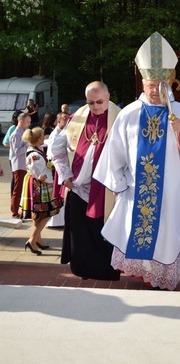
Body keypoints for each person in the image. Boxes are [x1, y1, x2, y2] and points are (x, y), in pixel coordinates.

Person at [93, 32, 180, 290]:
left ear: (169, 83)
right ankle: (143, 276)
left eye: (161, 86)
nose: (156, 91)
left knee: (167, 235)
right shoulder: (129, 114)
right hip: (137, 190)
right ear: (143, 83)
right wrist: (119, 183)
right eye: (150, 86)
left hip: (171, 192)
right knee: (136, 231)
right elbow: (115, 151)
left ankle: (162, 277)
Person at [50, 81, 121, 280]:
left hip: (107, 188)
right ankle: (82, 270)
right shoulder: (77, 119)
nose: (96, 106)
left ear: (108, 97)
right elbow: (56, 150)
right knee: (80, 234)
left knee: (103, 232)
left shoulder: (120, 119)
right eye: (91, 103)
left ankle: (106, 272)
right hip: (79, 186)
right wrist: (64, 175)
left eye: (100, 101)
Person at [21, 127, 63, 255]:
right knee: (47, 212)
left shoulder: (35, 150)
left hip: (38, 185)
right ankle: (32, 240)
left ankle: (37, 239)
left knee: (39, 214)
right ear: (39, 139)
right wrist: (52, 172)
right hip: (40, 186)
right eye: (43, 136)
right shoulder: (35, 155)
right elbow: (42, 175)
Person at [46, 111, 69, 228]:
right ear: (58, 121)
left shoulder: (65, 132)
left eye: (67, 118)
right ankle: (56, 221)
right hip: (58, 168)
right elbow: (52, 153)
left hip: (64, 167)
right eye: (64, 119)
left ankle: (61, 220)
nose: (67, 121)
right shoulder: (55, 134)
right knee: (58, 195)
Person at [9, 112, 31, 218]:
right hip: (18, 165)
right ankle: (14, 211)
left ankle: (18, 209)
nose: (29, 124)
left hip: (23, 164)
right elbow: (17, 151)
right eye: (27, 122)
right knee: (17, 189)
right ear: (21, 121)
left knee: (21, 189)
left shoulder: (21, 132)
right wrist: (27, 144)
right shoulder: (16, 134)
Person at [2, 110, 22, 196]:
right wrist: (15, 145)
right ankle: (12, 196)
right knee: (15, 177)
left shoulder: (25, 128)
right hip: (14, 157)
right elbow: (5, 142)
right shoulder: (12, 128)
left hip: (23, 157)